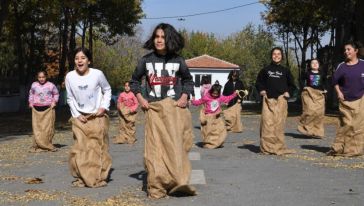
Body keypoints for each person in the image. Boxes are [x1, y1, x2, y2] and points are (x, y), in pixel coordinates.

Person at [129, 23, 196, 199]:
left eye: (163, 37)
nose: (159, 40)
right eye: (157, 37)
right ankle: (157, 185)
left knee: (174, 146)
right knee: (155, 148)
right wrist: (141, 99)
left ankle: (176, 180)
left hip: (174, 110)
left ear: (169, 39)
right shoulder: (146, 60)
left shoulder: (178, 60)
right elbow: (134, 81)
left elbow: (189, 81)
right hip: (154, 110)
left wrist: (184, 97)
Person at [65, 47, 112, 188]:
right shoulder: (69, 77)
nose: (79, 61)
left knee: (97, 148)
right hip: (79, 118)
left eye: (83, 58)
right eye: (77, 58)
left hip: (96, 116)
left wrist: (103, 107)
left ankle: (99, 177)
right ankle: (81, 177)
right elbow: (70, 98)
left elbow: (107, 90)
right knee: (80, 148)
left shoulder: (97, 74)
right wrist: (77, 115)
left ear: (89, 61)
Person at [255, 47, 297, 155]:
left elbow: (292, 85)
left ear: (282, 56)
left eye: (278, 54)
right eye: (274, 54)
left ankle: (278, 147)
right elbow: (258, 82)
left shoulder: (285, 71)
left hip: (281, 101)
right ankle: (267, 148)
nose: (276, 56)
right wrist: (262, 90)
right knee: (267, 124)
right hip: (268, 101)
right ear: (271, 56)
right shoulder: (265, 70)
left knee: (279, 124)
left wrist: (289, 92)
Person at [327, 41, 364, 157]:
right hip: (345, 100)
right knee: (347, 125)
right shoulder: (342, 66)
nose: (346, 52)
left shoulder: (363, 64)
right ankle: (339, 147)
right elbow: (335, 82)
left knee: (358, 126)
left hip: (361, 99)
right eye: (345, 50)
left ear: (356, 51)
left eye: (348, 49)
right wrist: (339, 93)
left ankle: (354, 150)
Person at [191, 83, 238, 148]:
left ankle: (217, 142)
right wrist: (193, 102)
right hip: (209, 117)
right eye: (214, 93)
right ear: (211, 91)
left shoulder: (220, 97)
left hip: (217, 117)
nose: (215, 95)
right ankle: (209, 144)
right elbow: (199, 101)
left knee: (221, 129)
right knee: (209, 131)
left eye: (217, 94)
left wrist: (234, 94)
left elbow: (227, 98)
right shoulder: (206, 97)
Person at [28, 70, 59, 152]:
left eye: (43, 77)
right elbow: (31, 93)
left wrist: (54, 102)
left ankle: (47, 144)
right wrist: (30, 103)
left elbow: (56, 94)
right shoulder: (34, 85)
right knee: (37, 128)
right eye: (40, 77)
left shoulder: (51, 85)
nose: (41, 79)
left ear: (46, 77)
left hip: (48, 109)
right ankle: (38, 144)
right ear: (37, 77)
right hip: (36, 109)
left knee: (47, 128)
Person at [297, 59, 327, 138]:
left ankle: (317, 132)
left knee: (319, 113)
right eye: (312, 63)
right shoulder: (307, 73)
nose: (314, 64)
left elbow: (324, 82)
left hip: (319, 95)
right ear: (310, 65)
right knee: (310, 111)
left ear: (319, 64)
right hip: (309, 94)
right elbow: (301, 80)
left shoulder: (322, 74)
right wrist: (304, 87)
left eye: (316, 63)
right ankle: (306, 129)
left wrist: (325, 89)